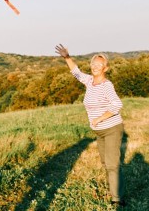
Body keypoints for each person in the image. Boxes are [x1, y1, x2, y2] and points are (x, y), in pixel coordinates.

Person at [54, 44, 125, 207]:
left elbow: (117, 105)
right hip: (99, 132)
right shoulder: (89, 81)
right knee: (106, 164)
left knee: (112, 164)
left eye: (99, 64)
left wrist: (100, 118)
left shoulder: (106, 85)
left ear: (105, 68)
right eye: (93, 64)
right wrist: (67, 57)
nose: (95, 67)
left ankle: (117, 199)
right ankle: (116, 189)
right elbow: (76, 72)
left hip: (112, 129)